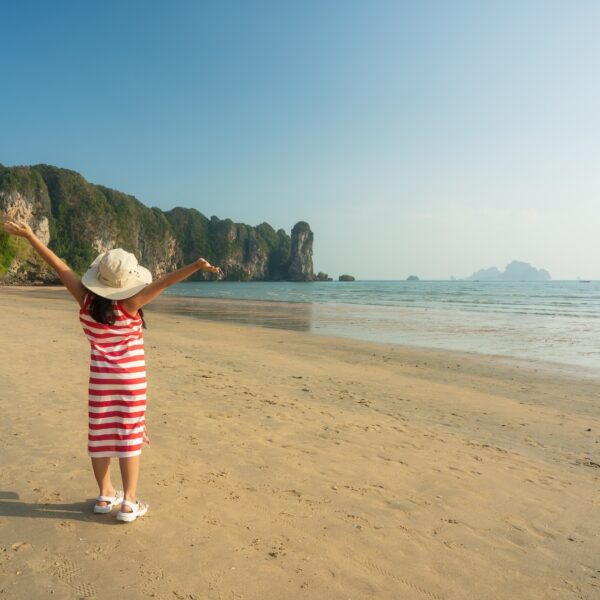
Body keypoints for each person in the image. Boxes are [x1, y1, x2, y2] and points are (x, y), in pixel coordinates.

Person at [1, 217, 223, 522]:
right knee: (129, 435)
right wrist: (197, 266)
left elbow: (59, 266)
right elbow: (166, 281)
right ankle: (129, 503)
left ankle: (105, 495)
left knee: (101, 434)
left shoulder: (86, 302)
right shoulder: (131, 304)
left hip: (102, 381)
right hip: (132, 382)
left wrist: (29, 236)